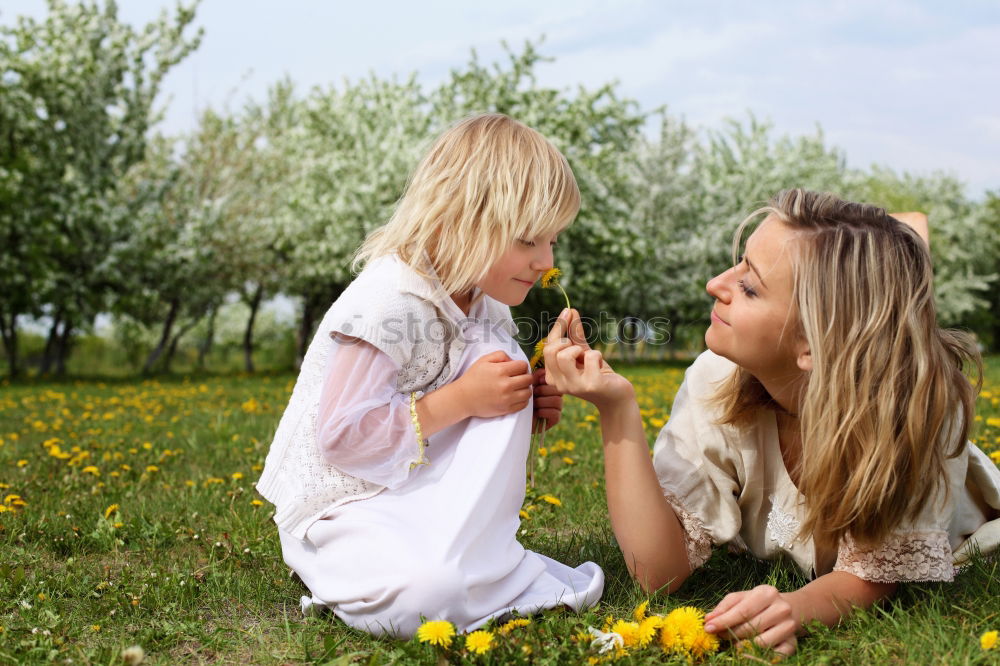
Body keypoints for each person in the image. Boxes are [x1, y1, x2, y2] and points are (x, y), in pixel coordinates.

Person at [542, 189, 1000, 656]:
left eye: (750, 287)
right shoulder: (714, 379)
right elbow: (658, 573)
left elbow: (871, 573)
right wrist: (616, 408)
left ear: (814, 343)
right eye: (738, 264)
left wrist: (795, 607)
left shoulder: (918, 408)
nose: (716, 284)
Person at [255, 113, 603, 638]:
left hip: (406, 493)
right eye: (529, 239)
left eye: (552, 241)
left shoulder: (487, 309)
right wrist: (463, 400)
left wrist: (526, 399)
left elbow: (460, 414)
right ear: (463, 218)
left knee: (499, 357)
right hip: (343, 509)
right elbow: (343, 438)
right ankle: (335, 566)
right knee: (426, 598)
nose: (545, 261)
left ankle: (464, 564)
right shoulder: (389, 301)